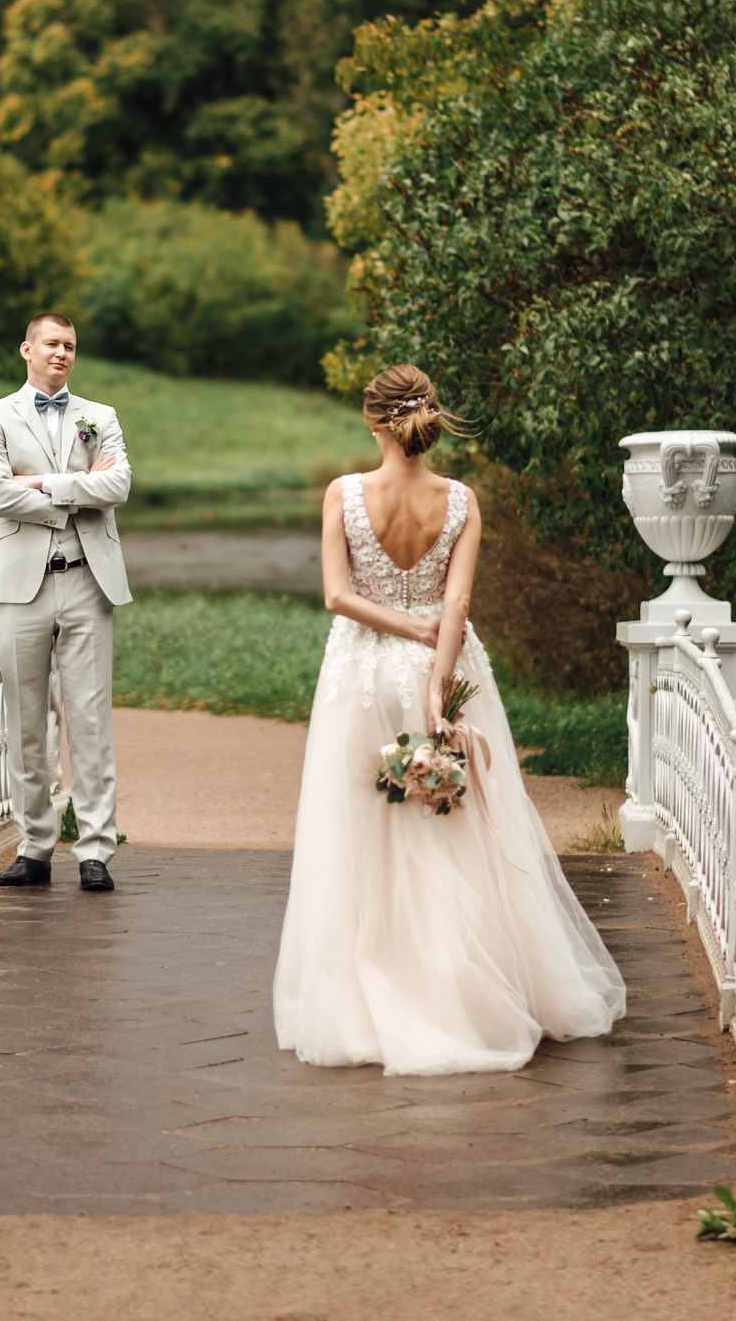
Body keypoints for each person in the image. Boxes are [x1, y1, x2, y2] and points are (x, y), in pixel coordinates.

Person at [273, 364, 625, 1074]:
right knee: (458, 834)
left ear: (372, 422)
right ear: (429, 420)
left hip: (360, 674)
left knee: (364, 834)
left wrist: (401, 630)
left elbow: (337, 597)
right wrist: (438, 691)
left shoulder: (343, 494)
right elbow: (456, 610)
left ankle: (374, 1002)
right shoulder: (461, 500)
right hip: (444, 665)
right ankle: (464, 991)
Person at [0, 313, 133, 893]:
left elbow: (119, 487)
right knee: (26, 721)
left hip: (89, 581)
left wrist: (39, 483)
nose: (62, 353)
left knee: (90, 720)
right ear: (27, 349)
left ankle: (94, 850)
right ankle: (35, 848)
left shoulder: (100, 416)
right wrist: (76, 488)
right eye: (52, 344)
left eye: (70, 345)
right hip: (20, 587)